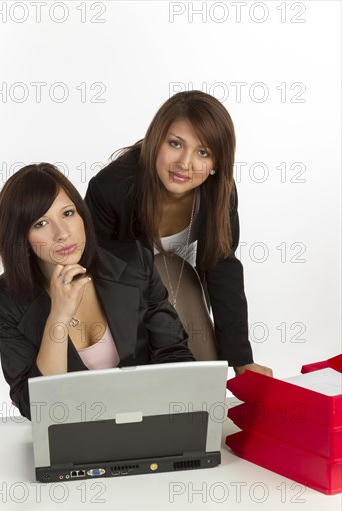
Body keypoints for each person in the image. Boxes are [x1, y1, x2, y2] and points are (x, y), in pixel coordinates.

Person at [0, 163, 194, 420]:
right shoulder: (4, 300)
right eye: (41, 223)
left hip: (147, 418)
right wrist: (58, 318)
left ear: (82, 215)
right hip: (72, 435)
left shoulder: (134, 262)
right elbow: (38, 408)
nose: (62, 233)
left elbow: (174, 354)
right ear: (20, 237)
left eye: (68, 213)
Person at [85, 91, 272, 376]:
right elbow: (97, 273)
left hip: (178, 286)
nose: (185, 164)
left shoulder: (219, 193)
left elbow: (223, 270)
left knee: (205, 379)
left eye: (203, 152)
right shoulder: (112, 187)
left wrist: (241, 361)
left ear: (216, 164)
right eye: (175, 144)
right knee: (163, 267)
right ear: (155, 140)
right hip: (117, 297)